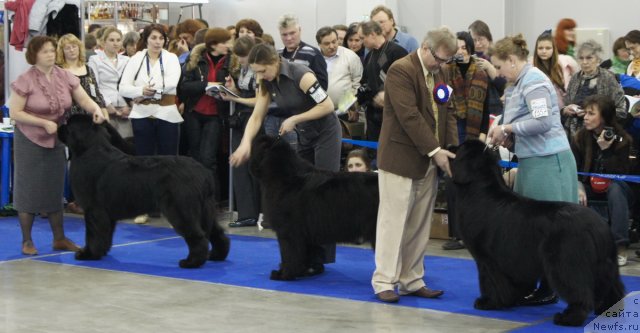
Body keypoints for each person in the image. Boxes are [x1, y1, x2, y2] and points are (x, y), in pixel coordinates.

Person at [229, 43, 341, 275]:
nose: (259, 76)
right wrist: (244, 144)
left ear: (274, 62)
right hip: (305, 136)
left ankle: (320, 257)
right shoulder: (266, 81)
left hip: (325, 133)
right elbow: (257, 115)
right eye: (256, 72)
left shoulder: (302, 75)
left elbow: (327, 105)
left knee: (323, 195)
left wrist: (295, 119)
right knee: (303, 199)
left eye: (262, 71)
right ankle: (304, 255)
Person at [488, 34, 578, 306]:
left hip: (549, 163)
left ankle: (552, 287)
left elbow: (541, 122)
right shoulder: (519, 83)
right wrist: (508, 134)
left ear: (512, 61)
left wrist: (507, 129)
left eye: (500, 67)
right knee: (532, 231)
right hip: (532, 162)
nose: (500, 74)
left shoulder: (535, 81)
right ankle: (543, 284)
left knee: (550, 231)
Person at [372, 27, 458, 303]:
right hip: (400, 159)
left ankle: (411, 279)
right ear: (425, 47)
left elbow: (448, 111)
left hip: (430, 160)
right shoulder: (401, 70)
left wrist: (452, 149)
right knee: (392, 223)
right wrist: (435, 150)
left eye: (446, 61)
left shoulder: (441, 72)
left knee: (419, 226)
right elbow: (409, 116)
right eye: (439, 59)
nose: (442, 65)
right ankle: (384, 280)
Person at [8, 36, 106, 255]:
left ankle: (59, 239)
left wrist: (96, 109)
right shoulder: (25, 79)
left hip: (56, 139)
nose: (51, 54)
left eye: (52, 50)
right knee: (28, 191)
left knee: (55, 190)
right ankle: (27, 241)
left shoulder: (65, 76)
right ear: (34, 56)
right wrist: (43, 122)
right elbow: (16, 112)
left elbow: (83, 98)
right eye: (45, 52)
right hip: (29, 138)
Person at [118, 24, 183, 223]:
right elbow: (124, 87)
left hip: (167, 113)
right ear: (146, 39)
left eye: (161, 38)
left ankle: (169, 206)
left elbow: (173, 83)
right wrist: (139, 93)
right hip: (142, 114)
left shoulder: (171, 58)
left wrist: (148, 92)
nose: (157, 42)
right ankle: (143, 206)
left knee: (168, 161)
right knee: (143, 161)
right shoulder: (136, 59)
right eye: (153, 38)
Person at [441, 31, 491, 251]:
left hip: (474, 131)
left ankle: (476, 232)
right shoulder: (446, 72)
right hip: (453, 129)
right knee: (453, 181)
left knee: (474, 184)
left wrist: (481, 135)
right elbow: (441, 100)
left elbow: (486, 107)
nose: (460, 51)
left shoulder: (480, 73)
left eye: (464, 47)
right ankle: (457, 234)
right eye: (457, 47)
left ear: (470, 49)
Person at [571, 94, 632, 266]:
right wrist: (578, 185)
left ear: (604, 117)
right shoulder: (580, 138)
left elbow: (623, 174)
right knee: (570, 189)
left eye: (591, 114)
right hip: (590, 185)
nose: (586, 117)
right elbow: (574, 168)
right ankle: (575, 243)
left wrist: (606, 151)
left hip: (619, 188)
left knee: (616, 189)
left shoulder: (622, 139)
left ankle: (620, 246)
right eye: (585, 113)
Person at [180, 28, 232, 203]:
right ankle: (195, 197)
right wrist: (206, 85)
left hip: (216, 115)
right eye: (225, 42)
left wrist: (228, 88)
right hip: (194, 112)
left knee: (208, 158)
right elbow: (184, 87)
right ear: (214, 44)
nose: (229, 45)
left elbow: (237, 87)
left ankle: (211, 200)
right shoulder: (195, 58)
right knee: (194, 157)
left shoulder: (232, 61)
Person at [220, 36, 261, 228]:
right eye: (240, 56)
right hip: (242, 118)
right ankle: (246, 213)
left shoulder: (260, 70)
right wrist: (232, 90)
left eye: (244, 56)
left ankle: (256, 213)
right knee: (239, 166)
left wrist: (234, 99)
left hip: (256, 119)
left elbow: (260, 101)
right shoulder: (244, 69)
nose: (242, 60)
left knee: (253, 168)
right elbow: (244, 94)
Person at [562, 40, 626, 138]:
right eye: (581, 58)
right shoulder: (575, 78)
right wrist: (566, 110)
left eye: (589, 58)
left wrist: (595, 115)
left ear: (598, 59)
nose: (584, 62)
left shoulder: (608, 78)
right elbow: (566, 105)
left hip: (600, 134)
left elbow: (621, 111)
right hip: (573, 135)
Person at [358, 20, 408, 142]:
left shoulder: (397, 52)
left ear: (373, 34)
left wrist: (388, 94)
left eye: (362, 38)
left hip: (393, 116)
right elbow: (364, 82)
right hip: (373, 118)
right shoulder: (369, 56)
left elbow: (408, 81)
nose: (361, 42)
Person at [88, 26, 132, 139]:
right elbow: (94, 86)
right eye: (111, 40)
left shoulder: (127, 60)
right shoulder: (95, 60)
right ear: (103, 42)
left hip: (125, 109)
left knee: (126, 144)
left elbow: (132, 85)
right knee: (107, 143)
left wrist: (129, 106)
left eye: (118, 40)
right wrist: (106, 104)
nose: (115, 43)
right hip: (105, 108)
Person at [315, 26, 362, 122]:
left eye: (334, 41)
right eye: (327, 43)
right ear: (319, 44)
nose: (332, 46)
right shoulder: (314, 58)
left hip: (345, 112)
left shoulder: (350, 56)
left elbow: (357, 84)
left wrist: (351, 107)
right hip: (319, 112)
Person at [532, 31, 578, 110]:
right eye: (540, 48)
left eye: (548, 48)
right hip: (542, 111)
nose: (544, 51)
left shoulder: (565, 63)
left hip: (566, 111)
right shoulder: (531, 69)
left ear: (554, 49)